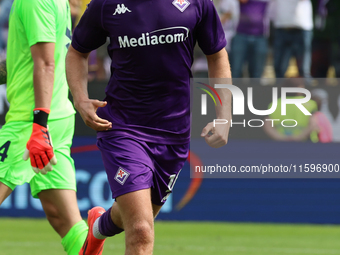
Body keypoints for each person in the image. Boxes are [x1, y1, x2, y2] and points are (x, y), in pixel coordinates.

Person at [65, 0, 232, 254]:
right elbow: (77, 52)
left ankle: (97, 229)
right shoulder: (106, 4)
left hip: (174, 133)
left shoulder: (197, 3)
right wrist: (80, 98)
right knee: (141, 230)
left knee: (135, 216)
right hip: (122, 127)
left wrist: (224, 116)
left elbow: (217, 54)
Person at [0, 1, 88, 254]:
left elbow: (46, 63)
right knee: (65, 221)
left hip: (31, 122)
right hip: (57, 119)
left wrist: (39, 126)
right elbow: (25, 61)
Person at [271, 0, 313, 80]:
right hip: (281, 27)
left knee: (304, 70)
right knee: (279, 68)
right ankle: (280, 91)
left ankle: (305, 90)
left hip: (302, 27)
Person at [230, 0, 271, 78]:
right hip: (240, 35)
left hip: (260, 36)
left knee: (257, 72)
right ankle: (233, 90)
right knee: (236, 70)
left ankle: (254, 90)